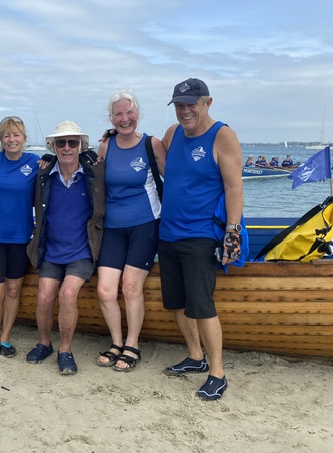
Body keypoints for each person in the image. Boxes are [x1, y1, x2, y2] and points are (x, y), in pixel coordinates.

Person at [159, 78, 244, 400]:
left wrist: (232, 232)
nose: (184, 111)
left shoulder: (222, 135)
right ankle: (195, 356)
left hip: (200, 235)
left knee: (203, 306)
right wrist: (113, 136)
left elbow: (234, 187)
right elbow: (156, 158)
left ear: (207, 103)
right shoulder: (173, 134)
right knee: (178, 303)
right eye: (179, 105)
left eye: (190, 104)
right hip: (167, 233)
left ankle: (217, 372)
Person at [94, 90, 166, 372]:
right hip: (112, 227)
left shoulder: (152, 144)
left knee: (130, 287)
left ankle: (132, 344)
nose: (125, 119)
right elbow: (93, 180)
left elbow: (175, 179)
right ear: (111, 118)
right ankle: (116, 342)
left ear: (138, 114)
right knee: (105, 291)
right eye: (119, 114)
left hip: (145, 225)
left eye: (129, 113)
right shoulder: (106, 146)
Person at [26, 121, 105, 375]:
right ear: (53, 147)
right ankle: (44, 343)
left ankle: (65, 350)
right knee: (44, 296)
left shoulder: (94, 174)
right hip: (51, 250)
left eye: (73, 142)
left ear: (81, 146)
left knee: (68, 294)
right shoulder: (43, 176)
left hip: (81, 251)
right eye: (61, 143)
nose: (67, 148)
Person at [0, 116, 40, 358]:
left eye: (16, 135)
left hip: (20, 238)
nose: (11, 139)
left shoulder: (35, 162)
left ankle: (5, 339)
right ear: (1, 139)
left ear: (24, 139)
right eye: (7, 135)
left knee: (14, 291)